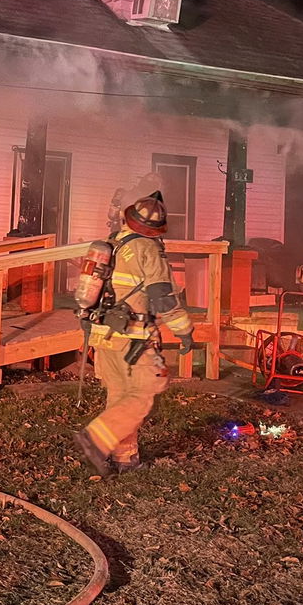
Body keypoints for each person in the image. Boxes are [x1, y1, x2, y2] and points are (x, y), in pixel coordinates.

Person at [73, 191, 195, 475]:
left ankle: (125, 458)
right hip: (133, 337)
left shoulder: (112, 244)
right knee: (145, 391)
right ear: (157, 229)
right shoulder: (148, 249)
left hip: (104, 334)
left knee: (120, 396)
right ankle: (96, 439)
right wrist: (184, 330)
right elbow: (163, 298)